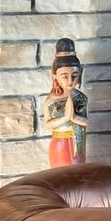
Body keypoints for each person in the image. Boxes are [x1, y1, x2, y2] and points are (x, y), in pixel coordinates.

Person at [43, 39, 88, 167]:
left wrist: (74, 117)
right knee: (61, 173)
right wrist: (65, 118)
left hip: (78, 142)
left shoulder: (81, 98)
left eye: (74, 76)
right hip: (60, 142)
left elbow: (85, 121)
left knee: (78, 172)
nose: (70, 81)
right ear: (55, 77)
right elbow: (47, 124)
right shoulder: (51, 100)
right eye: (64, 76)